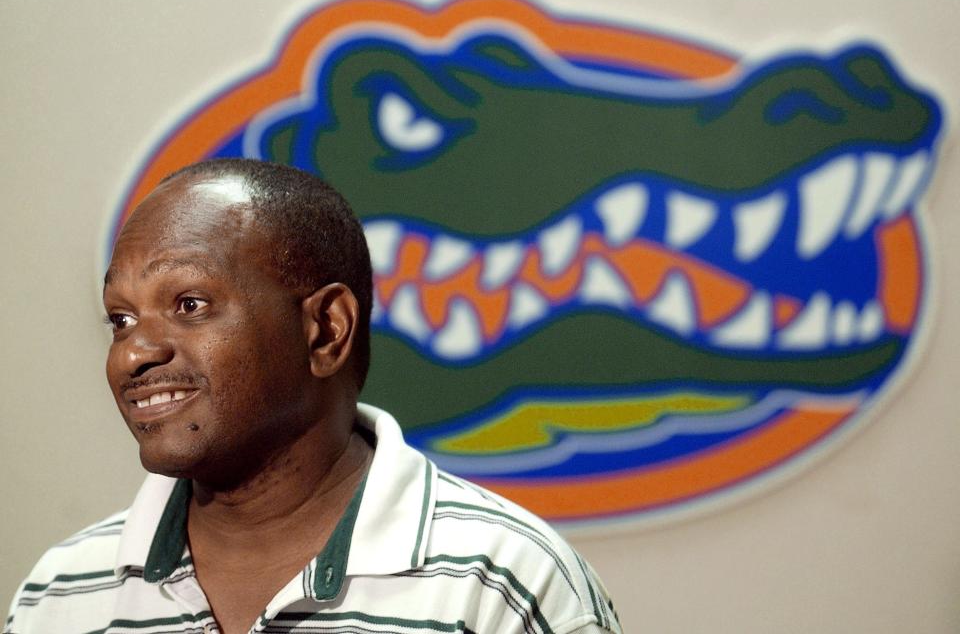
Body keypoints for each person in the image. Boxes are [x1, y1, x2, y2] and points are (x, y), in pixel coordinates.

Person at [4, 159, 621, 634]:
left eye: (189, 305)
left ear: (326, 329)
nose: (133, 354)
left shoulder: (503, 582)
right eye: (121, 320)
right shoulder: (59, 591)